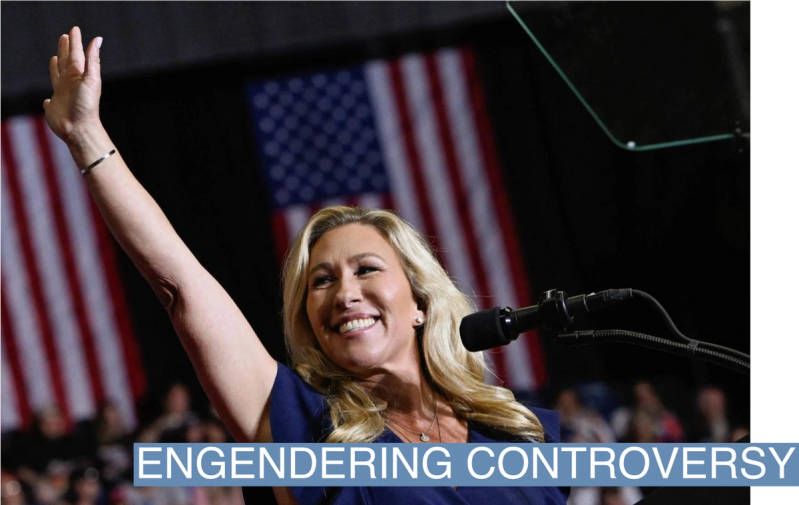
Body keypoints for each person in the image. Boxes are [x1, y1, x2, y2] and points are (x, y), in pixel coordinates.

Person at [44, 27, 567, 504]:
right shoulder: (306, 429)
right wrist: (87, 137)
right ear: (310, 322)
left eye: (365, 269)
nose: (344, 293)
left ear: (420, 303)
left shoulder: (518, 432)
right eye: (321, 281)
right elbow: (180, 285)